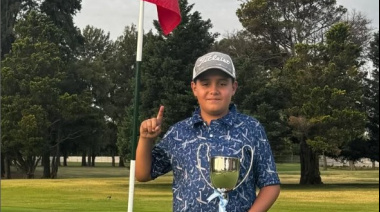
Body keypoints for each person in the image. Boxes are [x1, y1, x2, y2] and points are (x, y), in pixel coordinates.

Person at [136, 52, 281, 212]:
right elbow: (143, 174)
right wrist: (145, 139)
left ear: (233, 88)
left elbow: (270, 184)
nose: (214, 90)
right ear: (194, 88)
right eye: (205, 84)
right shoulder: (179, 132)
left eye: (222, 84)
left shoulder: (251, 128)